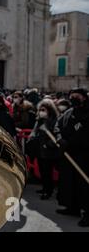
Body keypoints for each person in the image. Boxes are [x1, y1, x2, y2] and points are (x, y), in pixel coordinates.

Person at [54, 88, 89, 227]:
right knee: (70, 182)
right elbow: (58, 125)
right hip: (68, 155)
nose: (73, 98)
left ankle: (87, 213)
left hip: (84, 156)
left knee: (84, 186)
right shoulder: (68, 112)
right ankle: (72, 207)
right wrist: (59, 138)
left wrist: (70, 142)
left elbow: (84, 133)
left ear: (84, 97)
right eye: (72, 96)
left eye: (77, 96)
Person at [25, 99, 59, 200]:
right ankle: (44, 188)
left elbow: (56, 134)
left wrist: (49, 144)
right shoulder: (39, 120)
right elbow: (34, 132)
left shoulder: (54, 120)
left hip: (49, 151)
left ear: (49, 110)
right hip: (39, 150)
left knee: (47, 171)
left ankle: (48, 191)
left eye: (43, 110)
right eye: (40, 110)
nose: (41, 112)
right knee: (42, 170)